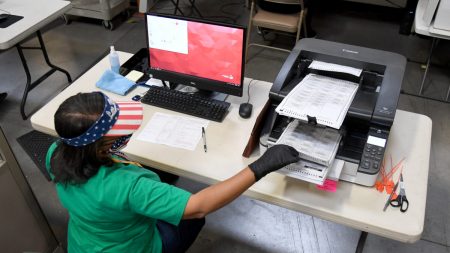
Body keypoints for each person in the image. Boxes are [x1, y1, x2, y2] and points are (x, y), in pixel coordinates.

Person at [46, 91, 300, 253]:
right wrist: (260, 167)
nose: (124, 131)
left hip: (85, 242)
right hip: (132, 248)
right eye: (116, 128)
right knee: (193, 219)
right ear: (99, 146)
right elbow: (199, 206)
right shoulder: (128, 185)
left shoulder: (57, 152)